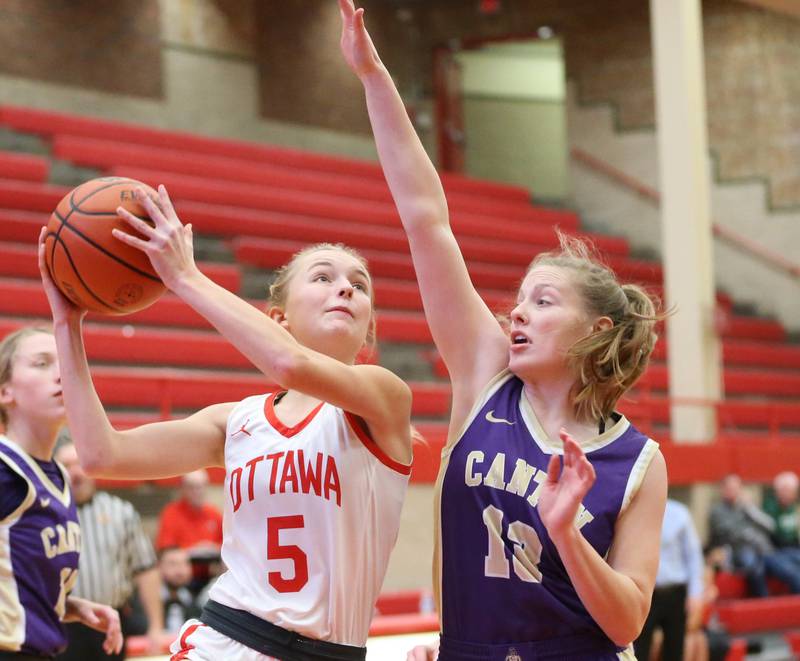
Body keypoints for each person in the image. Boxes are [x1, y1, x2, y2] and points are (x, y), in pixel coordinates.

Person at [338, 2, 668, 659]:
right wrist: (373, 76)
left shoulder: (637, 461)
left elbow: (628, 620)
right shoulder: (485, 374)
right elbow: (426, 218)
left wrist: (566, 531)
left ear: (595, 330)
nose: (517, 312)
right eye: (519, 299)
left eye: (542, 301)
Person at [37, 180, 413, 660]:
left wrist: (185, 276)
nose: (345, 287)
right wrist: (67, 325)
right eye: (323, 277)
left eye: (359, 285)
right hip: (224, 642)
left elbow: (289, 364)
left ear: (370, 328)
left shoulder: (384, 397)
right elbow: (99, 454)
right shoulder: (236, 422)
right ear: (278, 319)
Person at [0, 327, 122, 659]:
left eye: (64, 363)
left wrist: (68, 606)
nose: (61, 374)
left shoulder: (59, 477)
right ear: (5, 392)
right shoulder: (5, 468)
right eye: (41, 363)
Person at [54, 441, 164, 660]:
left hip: (109, 622)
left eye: (80, 464)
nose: (75, 472)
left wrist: (156, 626)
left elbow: (146, 570)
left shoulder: (121, 512)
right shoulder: (44, 513)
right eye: (66, 465)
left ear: (93, 469)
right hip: (60, 624)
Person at [634, 499, 704, 661]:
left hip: (675, 592)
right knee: (639, 650)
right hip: (646, 593)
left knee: (674, 650)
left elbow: (693, 556)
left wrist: (695, 594)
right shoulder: (637, 511)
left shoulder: (680, 514)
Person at [708, 474, 800, 596]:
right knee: (759, 569)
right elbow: (729, 533)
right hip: (740, 552)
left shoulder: (746, 507)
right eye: (729, 488)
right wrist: (750, 534)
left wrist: (750, 509)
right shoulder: (717, 511)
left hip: (765, 551)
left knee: (793, 568)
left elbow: (770, 525)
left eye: (736, 488)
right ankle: (765, 603)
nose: (733, 491)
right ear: (722, 489)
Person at [156, 469, 223, 592]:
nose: (197, 492)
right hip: (181, 577)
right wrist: (192, 550)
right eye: (192, 487)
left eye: (201, 487)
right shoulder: (171, 513)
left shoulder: (214, 513)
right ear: (183, 489)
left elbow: (226, 545)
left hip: (210, 575)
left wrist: (213, 547)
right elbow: (166, 550)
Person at [157, 546, 202, 634]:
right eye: (173, 564)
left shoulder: (194, 599)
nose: (180, 570)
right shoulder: (147, 600)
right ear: (159, 567)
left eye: (185, 564)